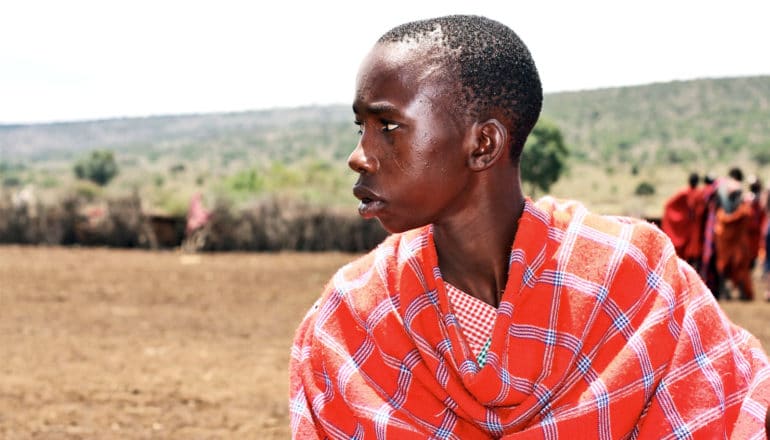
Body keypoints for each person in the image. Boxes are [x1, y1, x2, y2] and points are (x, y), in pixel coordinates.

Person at [289, 15, 770, 438]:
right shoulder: (351, 319)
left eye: (388, 127)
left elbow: (732, 412)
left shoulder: (638, 282)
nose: (358, 156)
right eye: (361, 128)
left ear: (483, 145)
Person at [660, 172, 706, 270]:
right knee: (693, 254)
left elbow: (668, 206)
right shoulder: (700, 194)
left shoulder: (684, 192)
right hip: (694, 227)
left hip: (688, 228)